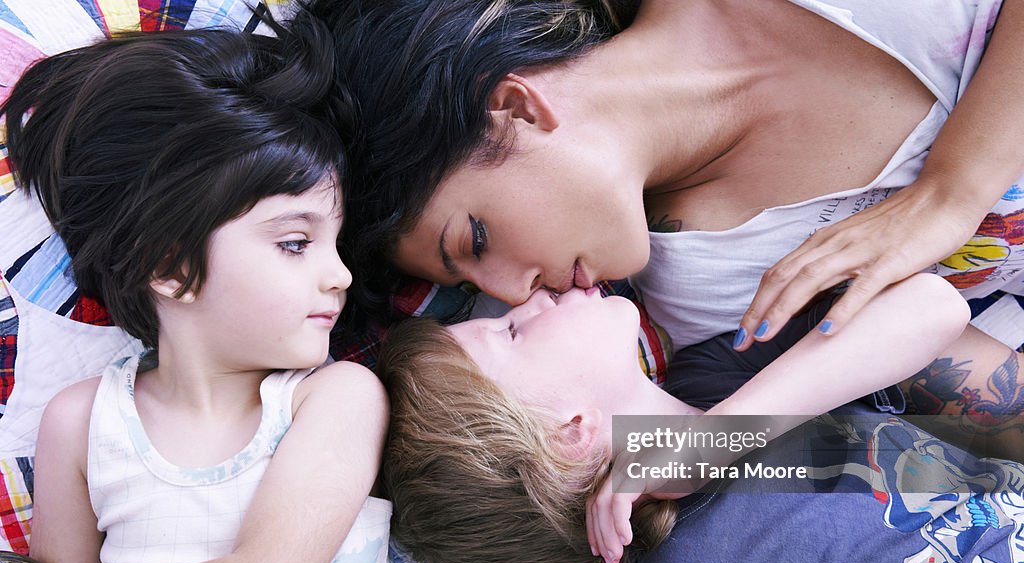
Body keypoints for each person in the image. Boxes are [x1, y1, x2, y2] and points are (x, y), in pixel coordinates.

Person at [306, 0, 1024, 390]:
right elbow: (998, 415)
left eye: (475, 242)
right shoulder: (718, 288)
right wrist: (683, 453)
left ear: (517, 108)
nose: (513, 293)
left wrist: (949, 193)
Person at [0, 15, 395, 563]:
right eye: (296, 242)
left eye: (334, 240)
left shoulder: (336, 399)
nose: (341, 273)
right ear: (173, 266)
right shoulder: (81, 423)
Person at [377, 277, 1024, 563]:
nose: (530, 298)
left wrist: (716, 440)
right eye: (512, 330)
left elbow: (929, 309)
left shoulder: (721, 373)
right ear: (571, 431)